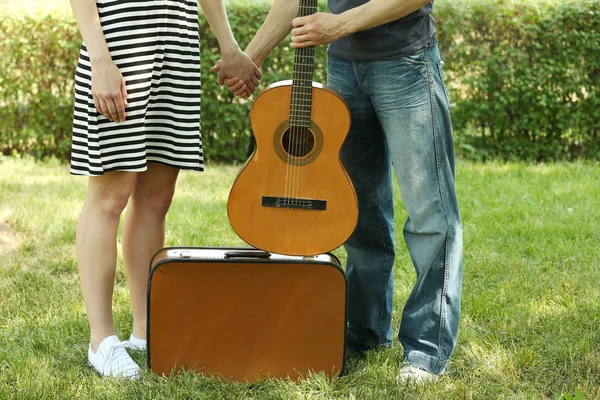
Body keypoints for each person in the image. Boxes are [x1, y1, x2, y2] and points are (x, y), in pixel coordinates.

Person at [217, 0, 463, 384]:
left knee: (430, 212)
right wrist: (250, 57)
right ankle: (366, 331)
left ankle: (427, 347)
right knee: (359, 210)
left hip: (406, 64)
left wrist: (339, 25)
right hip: (344, 69)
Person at [68, 0, 260, 379]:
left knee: (156, 198)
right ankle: (101, 341)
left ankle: (144, 330)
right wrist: (100, 60)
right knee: (110, 195)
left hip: (177, 40)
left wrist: (228, 43)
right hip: (119, 41)